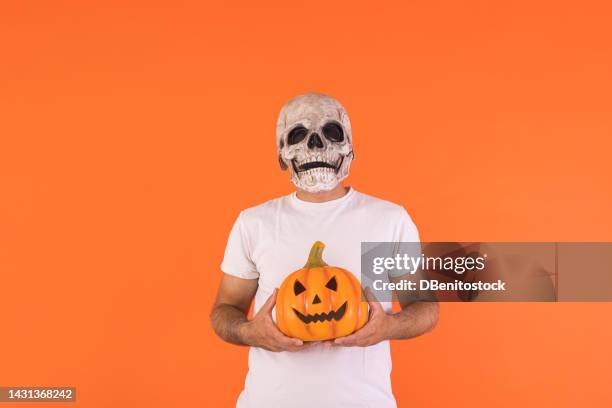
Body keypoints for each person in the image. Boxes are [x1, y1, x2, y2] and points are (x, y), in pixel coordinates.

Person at [210, 92, 439, 407]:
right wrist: (251, 332)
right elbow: (224, 311)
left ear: (351, 150)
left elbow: (426, 307)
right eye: (299, 136)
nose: (315, 146)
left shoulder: (388, 220)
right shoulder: (254, 223)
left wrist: (389, 326)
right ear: (281, 155)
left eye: (331, 133)